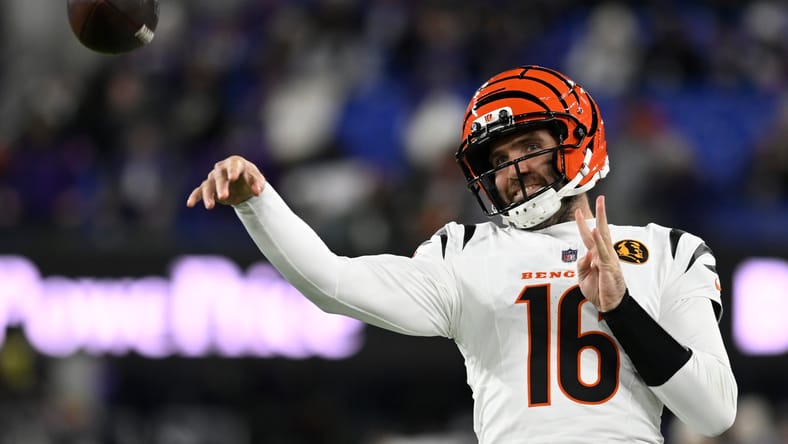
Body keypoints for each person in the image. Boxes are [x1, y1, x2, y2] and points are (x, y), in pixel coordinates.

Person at [186, 65, 737, 442]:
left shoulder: (670, 251)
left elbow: (713, 412)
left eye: (529, 148)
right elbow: (333, 283)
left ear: (578, 142)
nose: (514, 170)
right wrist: (258, 201)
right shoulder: (465, 251)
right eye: (498, 157)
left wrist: (620, 308)